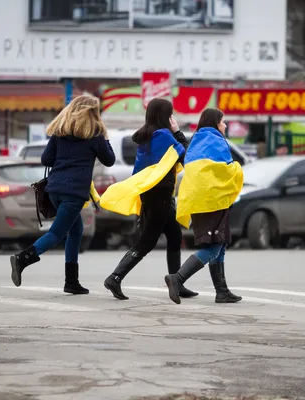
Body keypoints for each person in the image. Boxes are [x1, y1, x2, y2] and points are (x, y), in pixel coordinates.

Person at [9, 94, 116, 294]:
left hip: (55, 191)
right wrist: (105, 137)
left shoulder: (60, 133)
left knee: (76, 231)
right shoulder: (95, 135)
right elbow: (109, 160)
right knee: (56, 233)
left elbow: (45, 159)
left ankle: (71, 281)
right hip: (73, 194)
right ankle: (22, 258)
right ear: (92, 113)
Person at [100, 98, 198, 301]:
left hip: (155, 194)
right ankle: (115, 277)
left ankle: (177, 281)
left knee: (174, 235)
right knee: (147, 241)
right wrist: (178, 132)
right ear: (165, 116)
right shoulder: (162, 135)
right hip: (159, 195)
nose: (173, 118)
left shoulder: (146, 135)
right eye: (171, 114)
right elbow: (187, 155)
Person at [165, 108, 243, 304]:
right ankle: (178, 278)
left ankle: (222, 291)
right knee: (214, 246)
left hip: (200, 200)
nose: (225, 125)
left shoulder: (198, 140)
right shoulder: (214, 140)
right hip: (212, 201)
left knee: (220, 243)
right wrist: (237, 169)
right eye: (223, 121)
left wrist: (176, 133)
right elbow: (222, 170)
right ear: (216, 123)